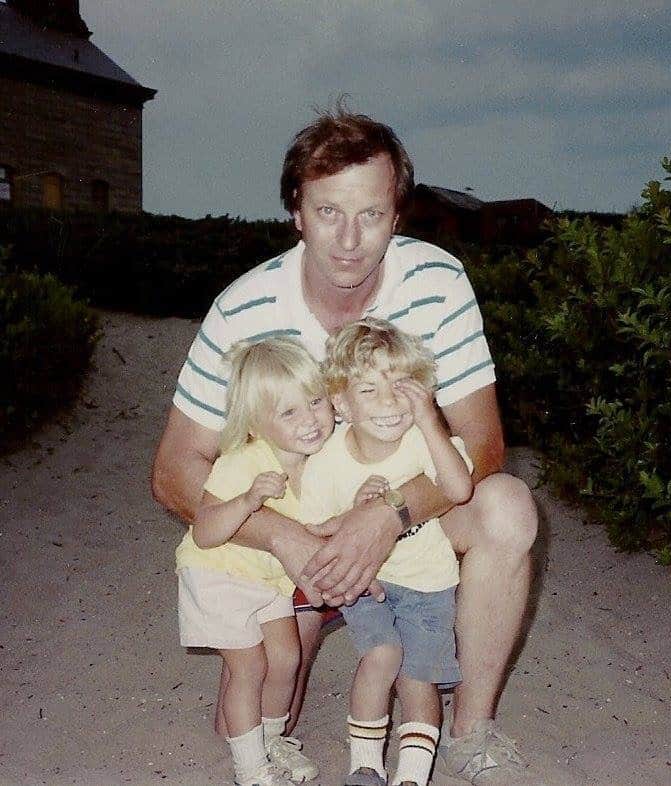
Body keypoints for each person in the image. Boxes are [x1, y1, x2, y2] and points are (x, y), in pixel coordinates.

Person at [152, 107, 538, 785]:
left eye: (372, 214)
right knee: (265, 707)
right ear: (296, 212)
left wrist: (385, 517)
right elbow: (174, 473)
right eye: (329, 212)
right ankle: (310, 641)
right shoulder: (244, 308)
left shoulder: (438, 283)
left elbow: (484, 445)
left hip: (407, 516)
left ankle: (470, 732)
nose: (351, 241)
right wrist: (290, 542)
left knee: (509, 509)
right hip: (300, 526)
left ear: (399, 214)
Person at [299, 318, 473, 786]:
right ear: (341, 403)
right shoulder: (327, 462)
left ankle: (412, 776)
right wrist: (350, 514)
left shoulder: (421, 441)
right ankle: (365, 765)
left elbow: (458, 488)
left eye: (402, 387)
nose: (390, 402)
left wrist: (430, 422)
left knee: (419, 679)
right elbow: (314, 530)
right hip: (369, 586)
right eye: (369, 389)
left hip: (430, 584)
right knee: (381, 657)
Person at [175, 338, 332, 786]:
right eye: (289, 412)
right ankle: (251, 770)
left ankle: (270, 740)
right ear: (256, 423)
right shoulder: (243, 462)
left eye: (316, 402)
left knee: (285, 657)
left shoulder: (319, 463)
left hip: (266, 580)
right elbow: (205, 531)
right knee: (250, 667)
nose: (310, 420)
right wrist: (247, 500)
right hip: (218, 576)